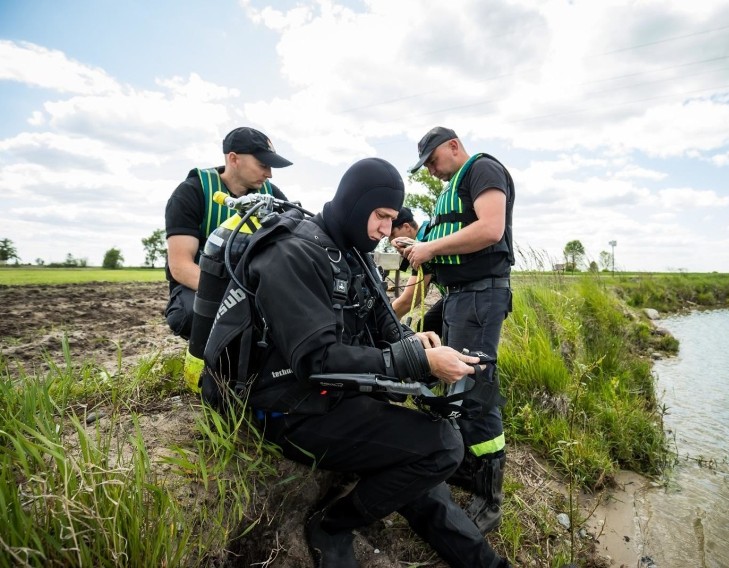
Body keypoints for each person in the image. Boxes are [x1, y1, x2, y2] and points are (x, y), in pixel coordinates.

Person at [202, 157, 509, 568]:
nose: (386, 229)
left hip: (334, 395)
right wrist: (419, 362)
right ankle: (332, 524)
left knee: (425, 470)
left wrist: (414, 342)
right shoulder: (291, 255)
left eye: (391, 219)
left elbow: (382, 318)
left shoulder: (351, 250)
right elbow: (316, 360)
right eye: (380, 216)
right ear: (354, 202)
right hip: (287, 408)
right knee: (442, 447)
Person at [404, 126, 515, 534]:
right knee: (433, 368)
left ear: (453, 147)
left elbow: (490, 230)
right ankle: (462, 462)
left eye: (433, 160)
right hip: (458, 297)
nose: (431, 171)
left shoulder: (482, 170)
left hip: (481, 296)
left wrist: (429, 247)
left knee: (475, 387)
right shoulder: (451, 189)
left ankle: (490, 497)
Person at [163, 126, 292, 339]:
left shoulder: (272, 196)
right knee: (190, 316)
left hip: (253, 283)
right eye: (263, 165)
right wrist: (235, 297)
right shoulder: (192, 192)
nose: (269, 174)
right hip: (201, 282)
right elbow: (180, 266)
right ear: (233, 159)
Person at [389, 206, 443, 334]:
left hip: (468, 293)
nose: (391, 241)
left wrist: (380, 322)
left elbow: (408, 300)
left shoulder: (423, 243)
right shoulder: (429, 230)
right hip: (455, 294)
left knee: (428, 328)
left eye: (392, 234)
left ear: (407, 227)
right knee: (427, 326)